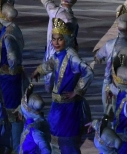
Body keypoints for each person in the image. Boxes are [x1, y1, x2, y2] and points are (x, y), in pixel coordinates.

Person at [30, 18, 93, 154]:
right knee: (54, 139)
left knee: (68, 142)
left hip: (69, 108)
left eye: (60, 39)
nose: (56, 43)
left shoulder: (71, 56)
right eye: (54, 39)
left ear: (66, 39)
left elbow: (88, 71)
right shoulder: (59, 54)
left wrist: (77, 91)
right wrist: (39, 71)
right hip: (57, 106)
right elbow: (51, 63)